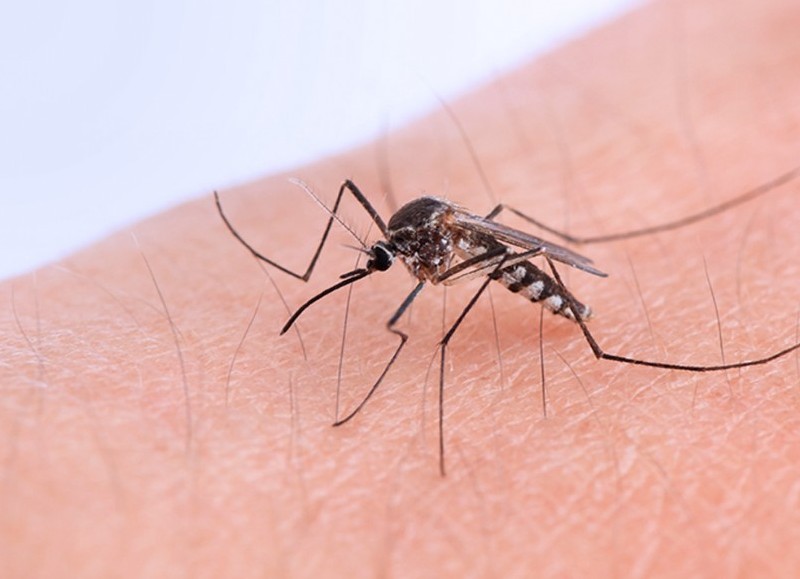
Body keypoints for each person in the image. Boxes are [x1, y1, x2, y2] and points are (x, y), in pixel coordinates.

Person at [4, 0, 799, 575]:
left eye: (380, 260)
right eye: (377, 258)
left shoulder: (433, 249)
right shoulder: (396, 234)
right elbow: (385, 242)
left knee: (463, 295)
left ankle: (606, 329)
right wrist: (325, 271)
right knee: (431, 266)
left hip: (502, 257)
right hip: (454, 238)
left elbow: (454, 276)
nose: (376, 268)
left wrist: (502, 284)